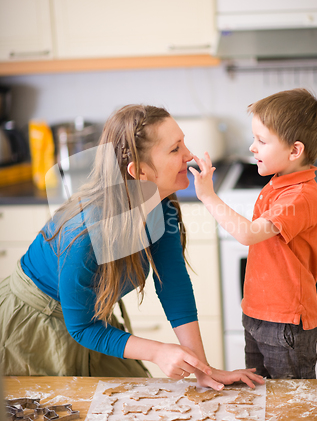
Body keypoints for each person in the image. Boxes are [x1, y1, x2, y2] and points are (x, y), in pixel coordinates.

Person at [0, 104, 264, 390]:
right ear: (138, 171)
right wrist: (158, 352)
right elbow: (82, 327)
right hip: (33, 323)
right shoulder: (83, 234)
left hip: (90, 320)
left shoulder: (162, 208)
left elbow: (173, 285)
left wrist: (204, 370)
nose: (189, 155)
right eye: (176, 149)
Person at [190, 89, 317, 379]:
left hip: (286, 324)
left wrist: (208, 196)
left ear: (295, 151)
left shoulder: (299, 196)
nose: (252, 147)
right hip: (257, 312)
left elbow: (247, 234)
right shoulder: (279, 182)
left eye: (262, 141)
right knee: (261, 396)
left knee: (290, 408)